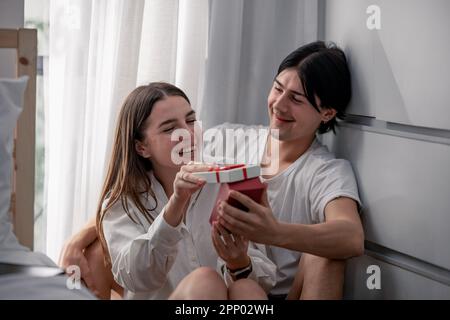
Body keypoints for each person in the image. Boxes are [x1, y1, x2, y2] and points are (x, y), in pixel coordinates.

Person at [170, 41, 364, 300]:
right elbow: (147, 173)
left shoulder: (325, 171)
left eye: (296, 99)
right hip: (215, 289)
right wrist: (96, 232)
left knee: (326, 257)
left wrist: (275, 232)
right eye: (277, 89)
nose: (279, 105)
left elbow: (351, 237)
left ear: (327, 113)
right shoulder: (228, 139)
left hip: (280, 294)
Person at [60, 82, 276, 299]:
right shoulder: (123, 202)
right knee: (206, 281)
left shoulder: (230, 179)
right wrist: (175, 205)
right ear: (141, 147)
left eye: (191, 120)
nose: (188, 133)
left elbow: (267, 278)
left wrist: (239, 264)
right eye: (170, 128)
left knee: (246, 289)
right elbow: (137, 278)